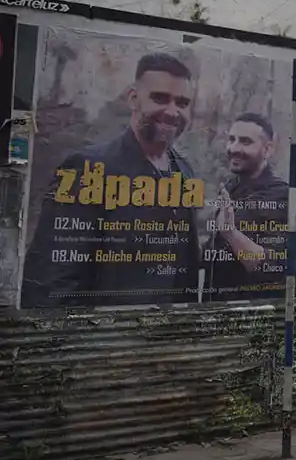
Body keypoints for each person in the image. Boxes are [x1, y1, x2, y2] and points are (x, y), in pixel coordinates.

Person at [22, 52, 204, 308]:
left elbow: (184, 269)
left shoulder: (184, 171)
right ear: (133, 99)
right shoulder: (87, 168)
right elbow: (52, 281)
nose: (172, 112)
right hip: (107, 338)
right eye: (160, 98)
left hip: (168, 337)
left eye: (182, 103)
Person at [204, 112, 290, 300]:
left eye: (245, 142)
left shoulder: (282, 197)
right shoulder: (229, 188)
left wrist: (231, 234)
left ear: (267, 150)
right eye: (232, 139)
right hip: (216, 313)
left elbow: (272, 268)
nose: (234, 148)